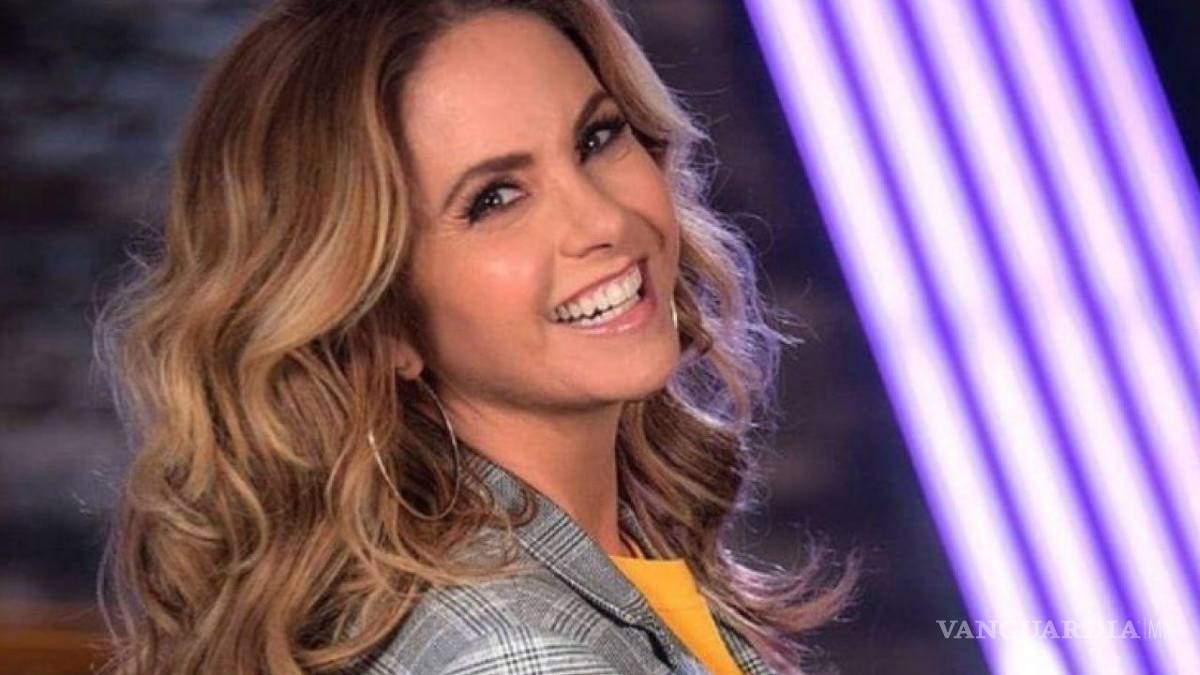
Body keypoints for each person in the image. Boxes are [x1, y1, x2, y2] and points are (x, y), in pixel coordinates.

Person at [93, 1, 860, 673]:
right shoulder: (520, 653)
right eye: (495, 198)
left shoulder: (585, 565)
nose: (604, 221)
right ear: (376, 318)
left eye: (597, 138)